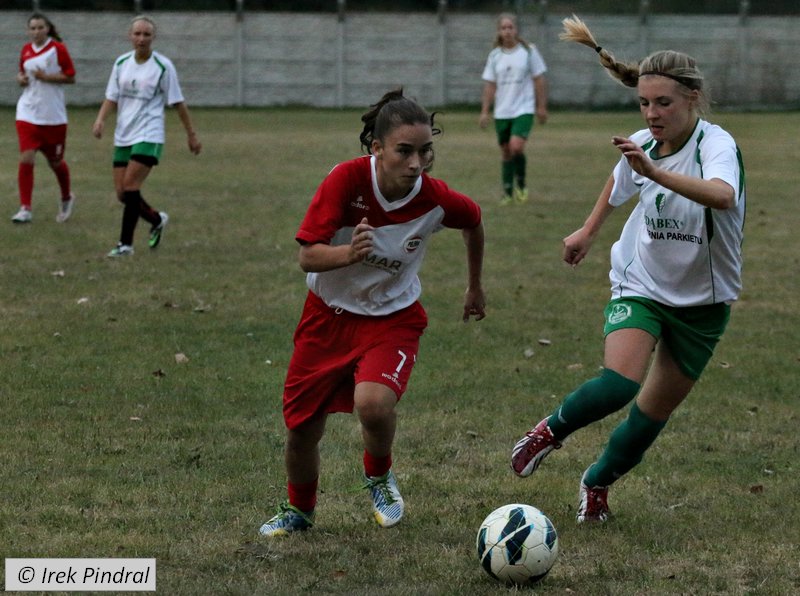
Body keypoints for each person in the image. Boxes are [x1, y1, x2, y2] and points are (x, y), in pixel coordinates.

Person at [510, 15, 746, 523]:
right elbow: (618, 186)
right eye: (644, 103)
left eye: (663, 103)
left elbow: (724, 196)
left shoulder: (715, 145)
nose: (652, 113)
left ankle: (596, 483)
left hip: (704, 305)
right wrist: (588, 231)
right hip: (640, 283)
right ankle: (547, 431)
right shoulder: (644, 144)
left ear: (692, 98)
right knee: (619, 383)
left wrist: (655, 171)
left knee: (650, 416)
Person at [259, 89, 486, 537]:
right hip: (326, 317)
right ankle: (300, 511)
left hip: (392, 319)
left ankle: (379, 477)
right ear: (377, 149)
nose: (416, 163)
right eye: (404, 151)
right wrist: (347, 254)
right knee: (302, 430)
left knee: (373, 403)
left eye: (425, 151)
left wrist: (474, 285)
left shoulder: (436, 199)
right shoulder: (345, 180)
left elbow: (474, 221)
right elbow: (307, 256)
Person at [92, 15, 201, 257]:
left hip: (149, 134)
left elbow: (178, 103)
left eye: (146, 34)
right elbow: (112, 96)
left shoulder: (163, 67)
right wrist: (100, 120)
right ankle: (156, 219)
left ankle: (125, 245)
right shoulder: (121, 63)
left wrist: (191, 135)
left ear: (153, 38)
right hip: (124, 134)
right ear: (129, 36)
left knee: (131, 186)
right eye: (137, 34)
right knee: (122, 194)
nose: (141, 39)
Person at [479, 12, 548, 206]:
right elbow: (490, 85)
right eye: (504, 28)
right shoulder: (494, 56)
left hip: (523, 109)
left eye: (510, 27)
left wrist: (541, 107)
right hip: (502, 111)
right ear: (499, 31)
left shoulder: (528, 51)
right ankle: (508, 192)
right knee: (506, 152)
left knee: (516, 146)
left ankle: (522, 184)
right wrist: (485, 111)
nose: (507, 31)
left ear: (516, 30)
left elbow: (539, 79)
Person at [13, 13, 76, 224]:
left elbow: (71, 76)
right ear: (28, 31)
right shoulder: (26, 50)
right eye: (33, 28)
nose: (36, 32)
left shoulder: (58, 49)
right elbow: (23, 75)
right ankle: (25, 209)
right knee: (26, 158)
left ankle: (67, 197)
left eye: (40, 27)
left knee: (56, 162)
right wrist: (21, 79)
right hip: (28, 113)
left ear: (47, 28)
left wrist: (46, 77)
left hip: (53, 117)